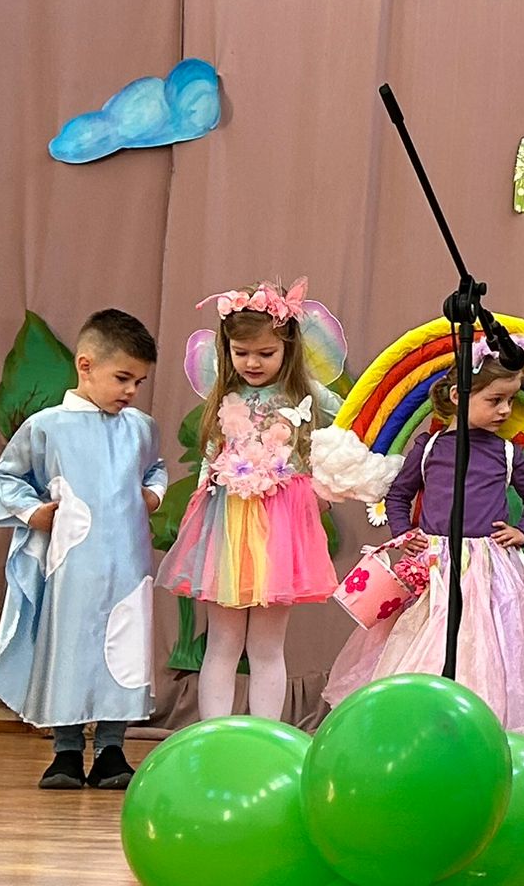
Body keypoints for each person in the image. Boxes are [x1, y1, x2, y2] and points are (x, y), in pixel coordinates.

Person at [324, 339, 524, 745]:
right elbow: (399, 495)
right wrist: (404, 534)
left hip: (489, 569)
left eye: (511, 401)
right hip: (435, 565)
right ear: (458, 396)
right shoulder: (429, 447)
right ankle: (426, 728)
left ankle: (482, 730)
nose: (505, 410)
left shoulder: (507, 453)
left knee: (488, 643)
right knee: (430, 637)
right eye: (495, 400)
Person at [0, 309, 167, 789]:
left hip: (128, 565)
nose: (131, 391)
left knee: (124, 650)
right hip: (72, 565)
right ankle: (66, 751)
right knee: (67, 647)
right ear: (86, 366)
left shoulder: (141, 428)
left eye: (139, 382)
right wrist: (33, 512)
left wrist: (154, 493)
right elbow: (7, 476)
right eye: (122, 378)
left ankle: (111, 750)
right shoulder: (47, 427)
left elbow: (155, 468)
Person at [159, 279, 340, 721]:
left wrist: (325, 488)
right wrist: (202, 503)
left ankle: (263, 736)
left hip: (280, 525)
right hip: (228, 522)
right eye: (241, 353)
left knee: (267, 646)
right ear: (227, 350)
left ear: (288, 349)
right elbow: (211, 456)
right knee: (222, 643)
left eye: (265, 353)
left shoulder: (307, 396)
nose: (252, 363)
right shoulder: (225, 397)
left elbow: (346, 430)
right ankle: (214, 732)